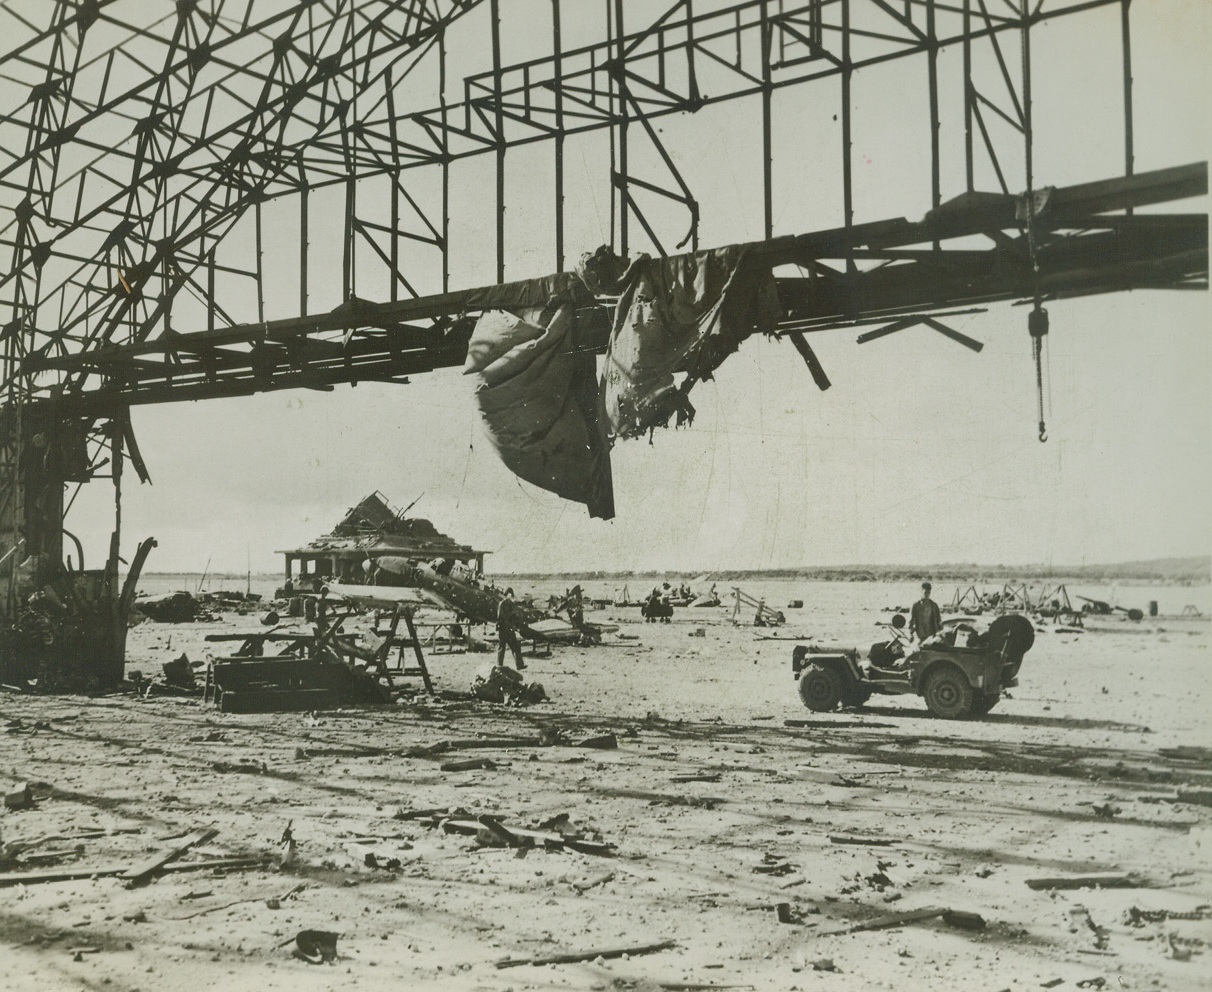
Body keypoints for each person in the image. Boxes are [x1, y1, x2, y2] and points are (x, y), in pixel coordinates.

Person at [496, 587, 525, 670]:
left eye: (511, 595)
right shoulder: (502, 604)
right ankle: (499, 665)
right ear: (506, 594)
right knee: (502, 647)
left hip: (509, 628)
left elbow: (514, 615)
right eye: (509, 594)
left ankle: (519, 665)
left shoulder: (511, 604)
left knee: (515, 647)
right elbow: (500, 617)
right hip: (504, 628)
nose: (510, 596)